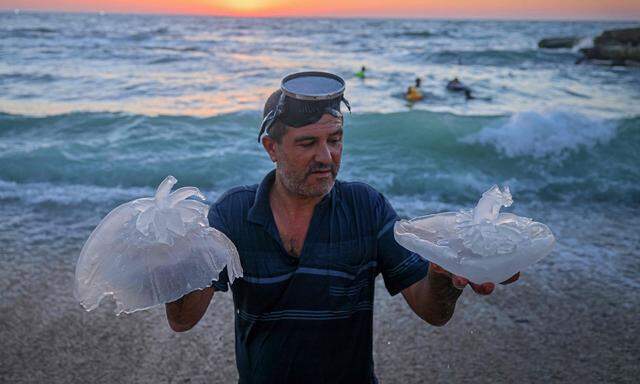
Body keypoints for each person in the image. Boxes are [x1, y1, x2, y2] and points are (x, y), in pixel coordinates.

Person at [165, 71, 519, 384]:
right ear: (271, 148)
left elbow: (433, 312)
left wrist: (443, 274)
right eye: (308, 143)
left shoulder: (367, 208)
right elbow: (183, 320)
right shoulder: (234, 214)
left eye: (335, 139)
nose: (327, 157)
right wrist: (171, 259)